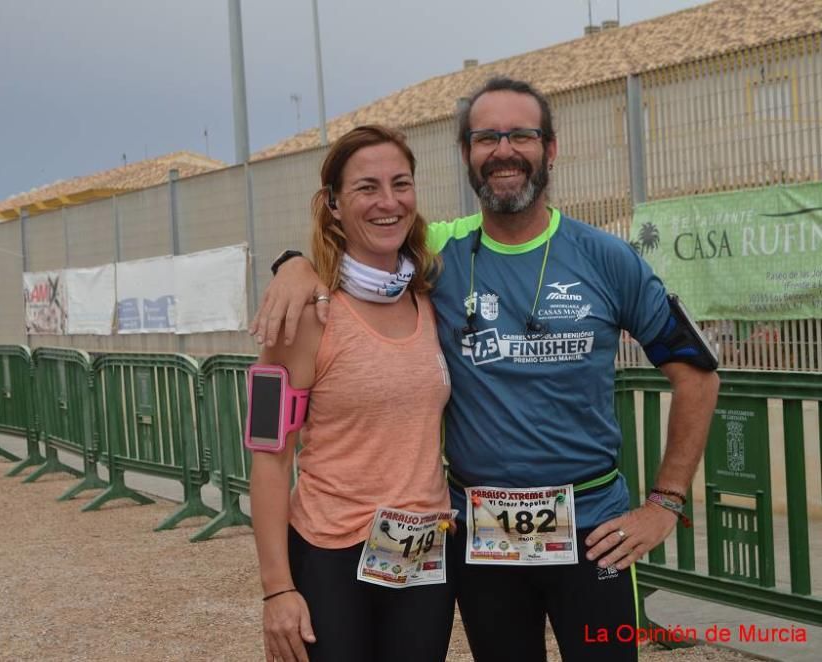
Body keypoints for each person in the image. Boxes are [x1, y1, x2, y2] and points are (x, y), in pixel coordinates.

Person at [250, 77, 720, 662]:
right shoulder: (439, 253)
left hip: (592, 530)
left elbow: (698, 372)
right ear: (468, 155)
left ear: (550, 149)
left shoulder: (607, 256)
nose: (503, 150)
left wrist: (665, 503)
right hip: (478, 541)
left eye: (521, 134)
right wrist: (292, 265)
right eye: (485, 138)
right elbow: (360, 247)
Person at [250, 125, 456, 662]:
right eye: (367, 187)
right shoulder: (304, 315)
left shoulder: (430, 296)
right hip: (330, 555)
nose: (388, 202)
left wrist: (291, 258)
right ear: (333, 205)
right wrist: (278, 590)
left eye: (400, 183)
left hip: (421, 552)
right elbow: (269, 457)